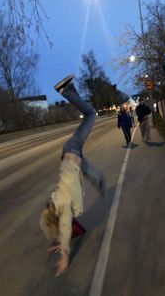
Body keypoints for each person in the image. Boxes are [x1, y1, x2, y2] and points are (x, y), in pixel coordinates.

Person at [39, 74, 105, 277]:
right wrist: (58, 240)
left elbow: (66, 227)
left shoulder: (63, 206)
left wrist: (64, 256)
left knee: (91, 114)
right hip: (72, 159)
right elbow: (56, 225)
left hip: (72, 151)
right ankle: (98, 180)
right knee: (91, 174)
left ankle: (64, 90)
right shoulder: (55, 204)